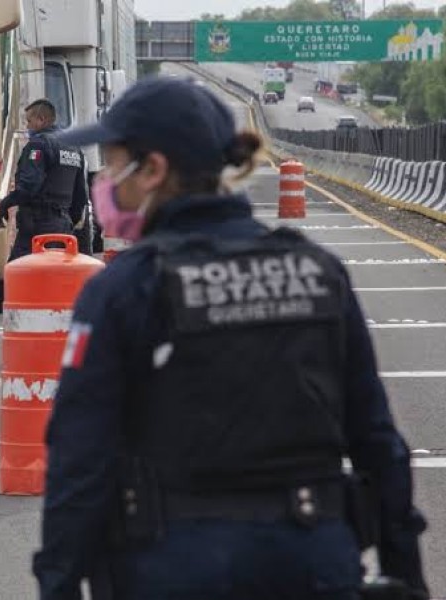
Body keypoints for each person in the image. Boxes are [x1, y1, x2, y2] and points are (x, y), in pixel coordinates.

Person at [32, 77, 429, 599]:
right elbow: (377, 441)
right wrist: (405, 573)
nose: (106, 181)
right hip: (315, 563)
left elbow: (79, 462)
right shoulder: (317, 271)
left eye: (111, 163)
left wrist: (58, 585)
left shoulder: (125, 290)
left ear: (152, 170)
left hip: (175, 570)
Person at [0, 98, 89, 260]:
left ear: (41, 120)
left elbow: (30, 185)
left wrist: (6, 203)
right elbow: (81, 193)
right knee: (56, 275)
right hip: (63, 228)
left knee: (19, 274)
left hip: (38, 227)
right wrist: (68, 222)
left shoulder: (39, 144)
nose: (27, 126)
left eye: (29, 121)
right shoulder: (73, 147)